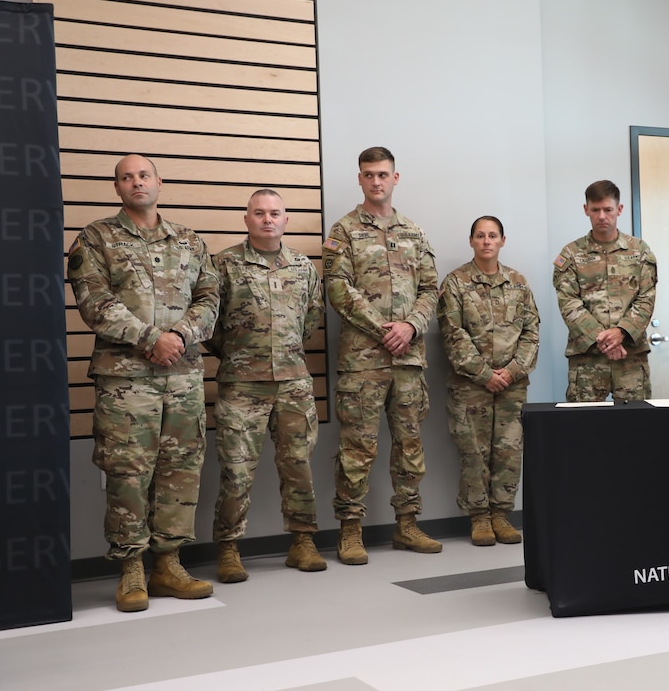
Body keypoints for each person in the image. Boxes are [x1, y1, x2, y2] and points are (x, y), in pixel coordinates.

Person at [67, 154, 220, 612]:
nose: (136, 182)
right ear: (116, 188)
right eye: (126, 177)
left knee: (180, 470)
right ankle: (131, 567)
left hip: (184, 377)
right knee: (128, 471)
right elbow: (93, 299)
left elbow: (211, 297)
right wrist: (152, 338)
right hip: (125, 379)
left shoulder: (191, 241)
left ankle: (168, 564)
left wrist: (181, 337)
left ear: (159, 183)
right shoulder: (95, 238)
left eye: (144, 175)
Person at [322, 146, 441, 563]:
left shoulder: (414, 231)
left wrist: (409, 327)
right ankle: (350, 530)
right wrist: (383, 330)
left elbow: (430, 289)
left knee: (410, 446)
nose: (376, 181)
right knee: (357, 448)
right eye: (369, 174)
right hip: (363, 362)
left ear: (396, 178)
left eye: (383, 174)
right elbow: (338, 289)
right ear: (360, 179)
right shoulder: (344, 231)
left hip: (408, 360)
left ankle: (407, 526)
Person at [208, 189, 326, 582]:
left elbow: (311, 319)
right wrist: (243, 357)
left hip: (293, 382)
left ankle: (303, 541)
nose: (267, 219)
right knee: (236, 471)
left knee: (298, 467)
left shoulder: (304, 267)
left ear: (286, 220)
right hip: (242, 385)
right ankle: (228, 548)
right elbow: (210, 327)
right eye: (259, 213)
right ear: (247, 219)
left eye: (275, 213)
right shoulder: (223, 265)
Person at [438, 216, 540, 545]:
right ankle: (480, 517)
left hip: (512, 385)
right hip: (470, 386)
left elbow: (531, 333)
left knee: (509, 452)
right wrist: (484, 374)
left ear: (502, 241)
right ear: (471, 241)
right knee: (474, 453)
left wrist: (511, 372)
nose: (486, 241)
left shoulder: (519, 283)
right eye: (480, 235)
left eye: (492, 235)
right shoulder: (455, 283)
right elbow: (453, 334)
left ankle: (502, 514)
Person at [553, 180, 657, 402]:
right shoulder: (571, 254)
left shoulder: (639, 251)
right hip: (588, 360)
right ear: (586, 210)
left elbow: (646, 299)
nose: (602, 216)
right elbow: (568, 302)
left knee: (636, 428)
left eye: (608, 209)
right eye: (595, 210)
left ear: (619, 209)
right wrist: (603, 340)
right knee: (586, 429)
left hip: (630, 356)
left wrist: (621, 333)